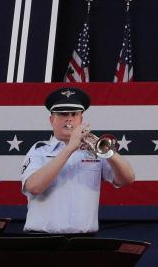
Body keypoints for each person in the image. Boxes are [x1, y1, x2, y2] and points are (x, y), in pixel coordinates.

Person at [21, 86, 136, 233]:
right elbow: (34, 187)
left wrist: (108, 152)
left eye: (74, 114)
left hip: (84, 241)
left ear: (81, 119)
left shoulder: (93, 150)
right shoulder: (39, 151)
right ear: (52, 120)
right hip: (43, 240)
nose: (69, 118)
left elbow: (128, 178)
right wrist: (69, 149)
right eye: (63, 114)